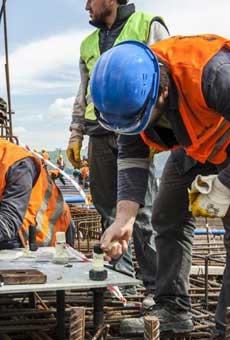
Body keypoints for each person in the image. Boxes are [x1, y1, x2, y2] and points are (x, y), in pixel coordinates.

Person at [91, 35, 230, 338]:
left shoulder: (214, 74)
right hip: (198, 139)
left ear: (163, 92)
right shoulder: (129, 98)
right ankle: (172, 309)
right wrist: (124, 219)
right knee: (166, 215)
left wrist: (226, 186)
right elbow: (132, 154)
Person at [66, 0, 169, 306]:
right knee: (107, 208)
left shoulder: (147, 25)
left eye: (90, 0)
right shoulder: (87, 44)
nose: (86, 5)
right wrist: (75, 134)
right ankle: (123, 281)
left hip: (137, 129)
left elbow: (165, 77)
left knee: (143, 210)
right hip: (99, 131)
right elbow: (83, 90)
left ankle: (154, 286)